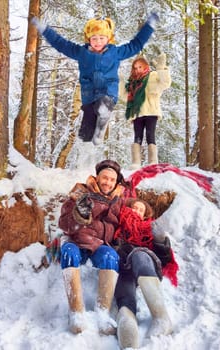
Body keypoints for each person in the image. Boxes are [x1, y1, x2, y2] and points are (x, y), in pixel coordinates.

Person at [31, 13, 160, 155]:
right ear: (88, 39)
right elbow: (61, 44)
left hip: (108, 93)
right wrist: (44, 29)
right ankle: (85, 159)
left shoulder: (116, 52)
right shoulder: (81, 52)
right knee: (85, 134)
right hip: (88, 96)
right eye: (94, 38)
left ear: (108, 38)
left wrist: (149, 27)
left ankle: (100, 129)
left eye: (102, 38)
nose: (98, 42)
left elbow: (136, 44)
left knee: (103, 106)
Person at [58, 159, 127, 335]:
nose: (108, 182)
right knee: (68, 252)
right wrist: (78, 215)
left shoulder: (117, 200)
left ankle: (102, 312)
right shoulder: (80, 192)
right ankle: (76, 312)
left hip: (99, 245)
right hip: (77, 241)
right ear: (97, 178)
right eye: (105, 178)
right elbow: (64, 224)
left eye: (112, 180)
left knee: (111, 257)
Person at [112, 197, 178, 348]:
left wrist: (160, 240)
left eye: (141, 210)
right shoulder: (118, 225)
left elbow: (164, 259)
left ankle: (161, 316)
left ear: (145, 215)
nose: (137, 211)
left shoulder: (148, 228)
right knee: (123, 281)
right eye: (135, 207)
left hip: (144, 262)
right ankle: (126, 319)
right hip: (123, 264)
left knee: (139, 255)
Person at [119, 53, 171, 168]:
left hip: (151, 111)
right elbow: (124, 96)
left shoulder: (153, 76)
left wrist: (161, 68)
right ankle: (136, 162)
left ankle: (153, 161)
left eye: (140, 67)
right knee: (137, 136)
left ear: (145, 66)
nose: (138, 70)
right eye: (135, 67)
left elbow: (165, 84)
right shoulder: (132, 82)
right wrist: (121, 82)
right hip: (137, 113)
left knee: (150, 135)